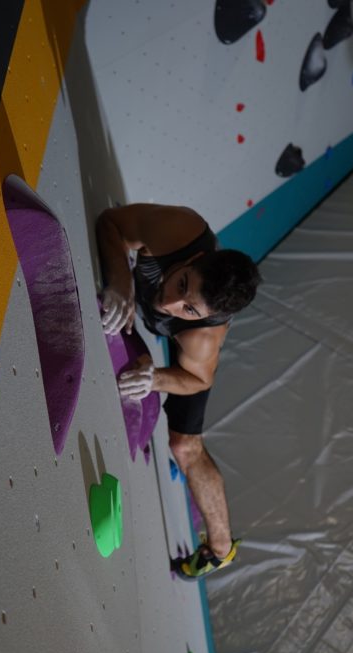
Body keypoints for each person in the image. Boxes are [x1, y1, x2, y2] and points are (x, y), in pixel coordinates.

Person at [97, 203, 261, 579]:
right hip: (174, 306)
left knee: (185, 446)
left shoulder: (201, 337)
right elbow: (112, 222)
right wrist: (122, 280)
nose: (169, 302)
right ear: (196, 258)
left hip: (186, 353)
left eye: (187, 308)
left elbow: (199, 380)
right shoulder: (179, 230)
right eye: (182, 283)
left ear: (203, 317)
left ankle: (221, 549)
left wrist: (154, 377)